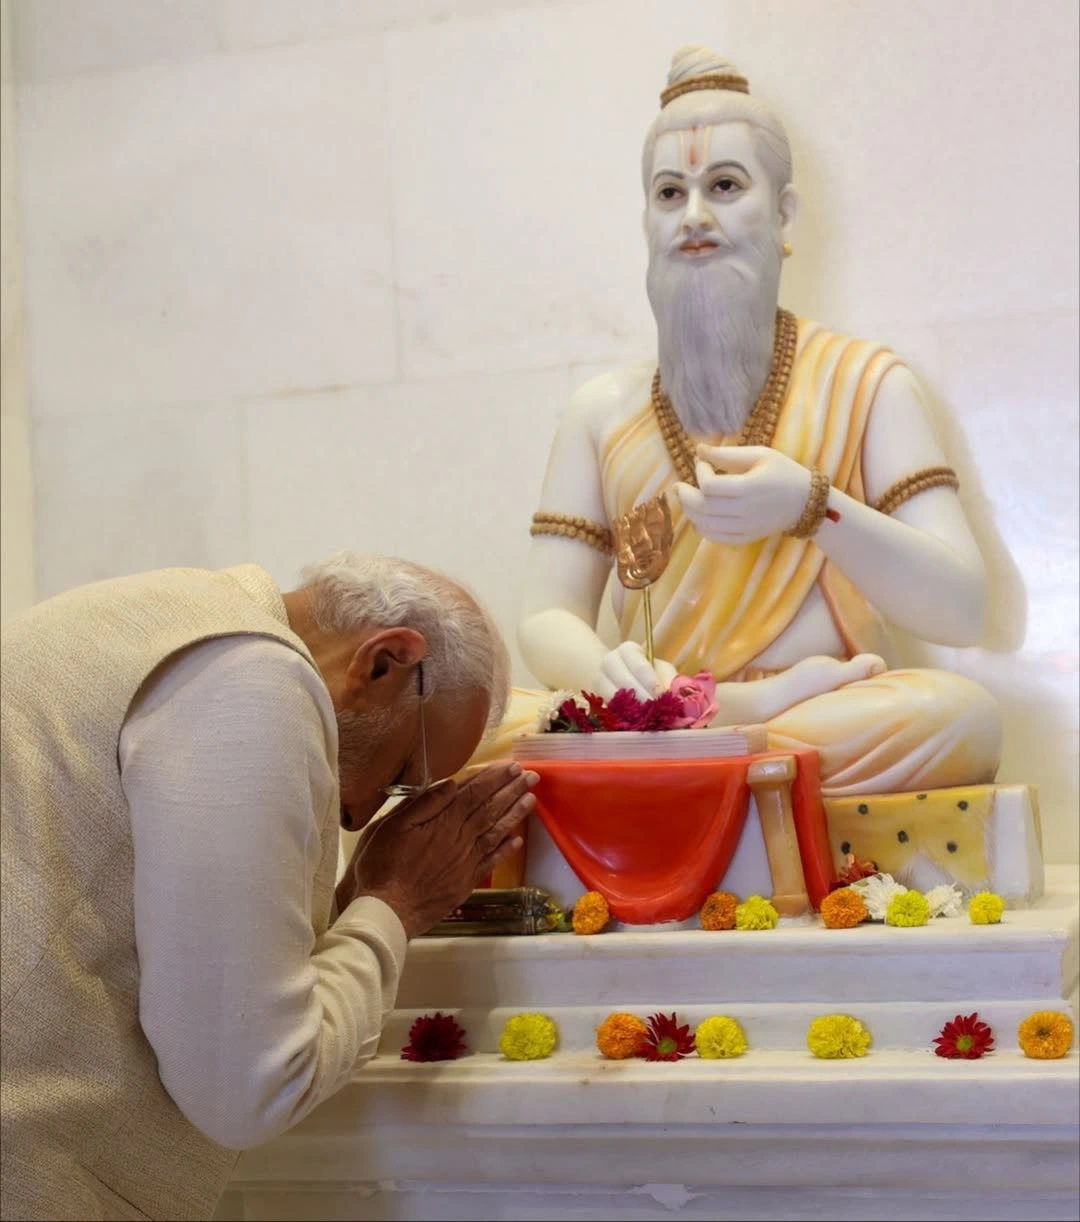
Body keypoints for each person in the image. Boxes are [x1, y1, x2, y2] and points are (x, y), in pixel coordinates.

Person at [505, 45, 1002, 798]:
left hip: (822, 711)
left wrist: (811, 506)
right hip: (656, 721)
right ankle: (722, 726)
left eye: (725, 185)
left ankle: (719, 742)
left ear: (783, 211)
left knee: (956, 716)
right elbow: (547, 610)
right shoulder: (600, 412)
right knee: (478, 725)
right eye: (670, 194)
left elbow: (961, 609)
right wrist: (617, 678)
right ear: (646, 219)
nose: (695, 216)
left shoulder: (867, 383)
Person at [0, 552, 537, 1222]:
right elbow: (247, 1086)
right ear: (384, 661)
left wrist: (354, 905)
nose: (362, 815)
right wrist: (396, 904)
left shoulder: (157, 614)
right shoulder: (252, 676)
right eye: (403, 773)